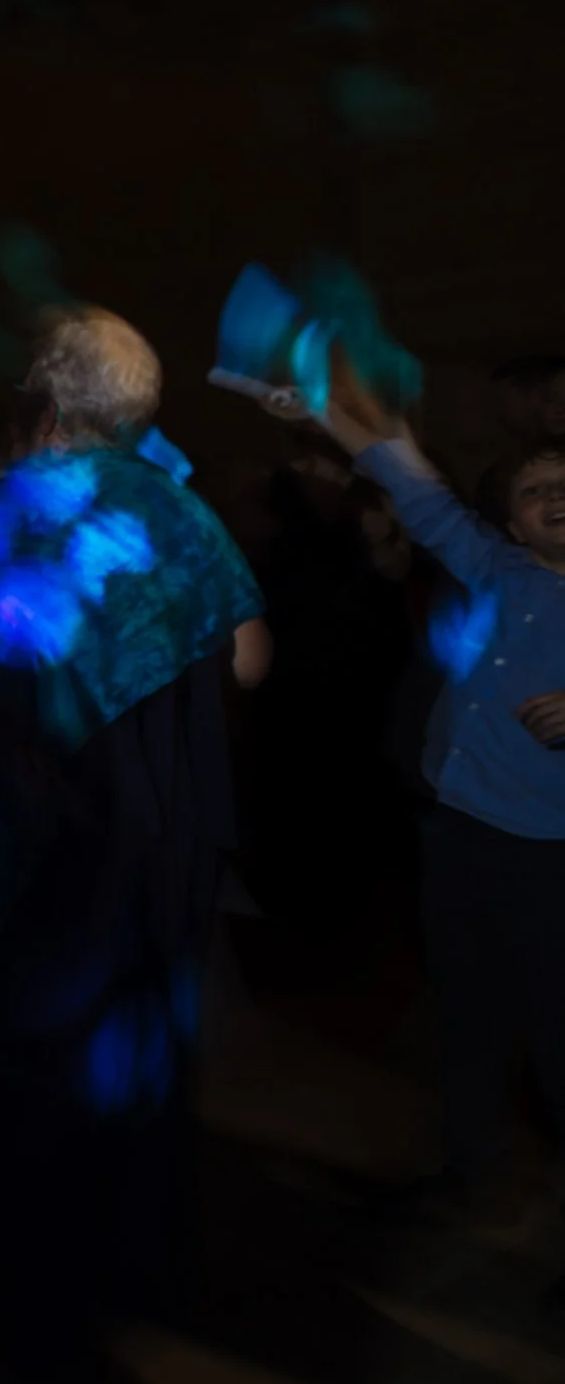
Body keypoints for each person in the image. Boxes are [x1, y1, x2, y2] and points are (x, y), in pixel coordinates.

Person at [0, 307, 270, 1376]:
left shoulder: (20, 506)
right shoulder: (182, 506)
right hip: (168, 837)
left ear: (47, 398)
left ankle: (21, 1297)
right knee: (139, 1053)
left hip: (57, 833)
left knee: (33, 1062)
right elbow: (251, 658)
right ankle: (132, 1266)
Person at [312, 378, 565, 1266]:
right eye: (534, 489)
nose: (554, 497)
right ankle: (472, 1182)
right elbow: (417, 490)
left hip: (551, 855)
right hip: (461, 832)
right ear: (514, 522)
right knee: (468, 1017)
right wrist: (329, 407)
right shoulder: (496, 566)